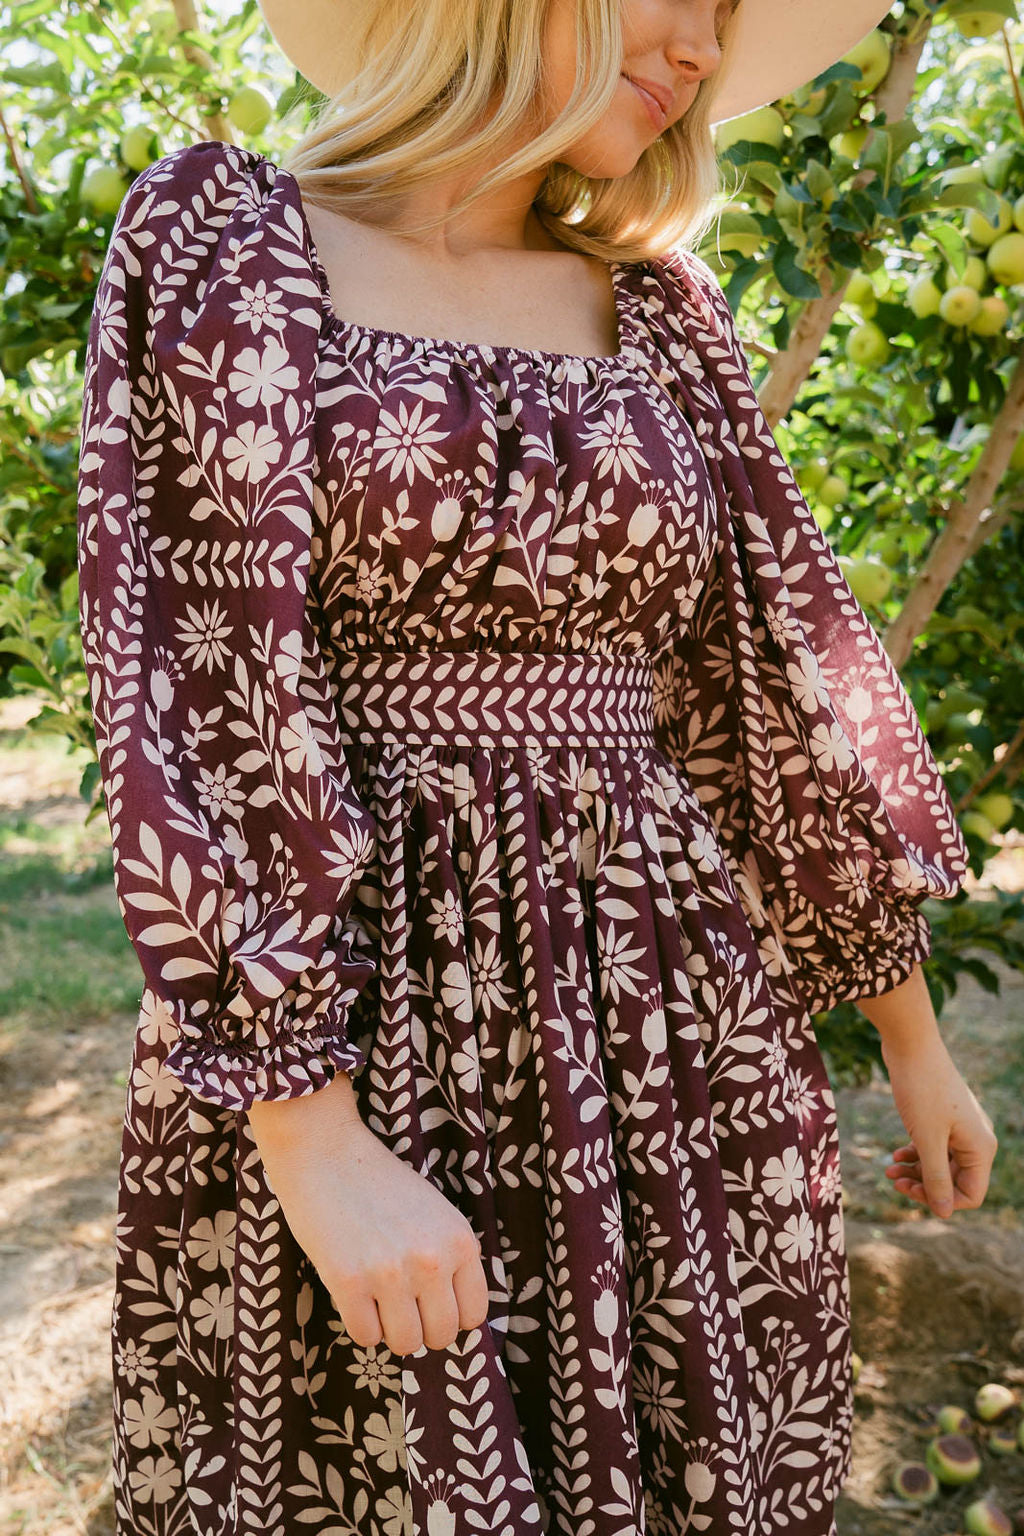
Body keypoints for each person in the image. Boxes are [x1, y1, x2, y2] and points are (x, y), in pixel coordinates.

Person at [76, 0, 998, 1531]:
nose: (704, 49)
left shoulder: (664, 313)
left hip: (672, 1021)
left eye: (728, 17)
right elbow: (193, 669)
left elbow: (764, 675)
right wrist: (309, 1133)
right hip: (364, 1017)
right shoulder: (225, 240)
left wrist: (910, 1032)